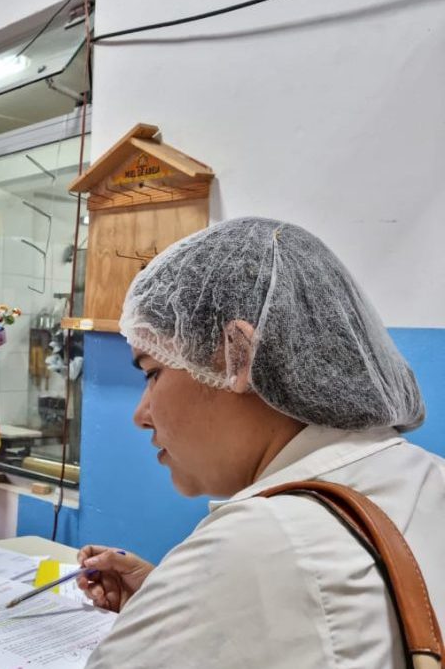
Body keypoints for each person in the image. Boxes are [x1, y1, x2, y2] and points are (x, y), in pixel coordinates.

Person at [77, 218, 444, 668]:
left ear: (238, 355)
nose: (140, 415)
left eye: (153, 372)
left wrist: (194, 596)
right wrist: (173, 609)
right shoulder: (427, 476)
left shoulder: (251, 546)